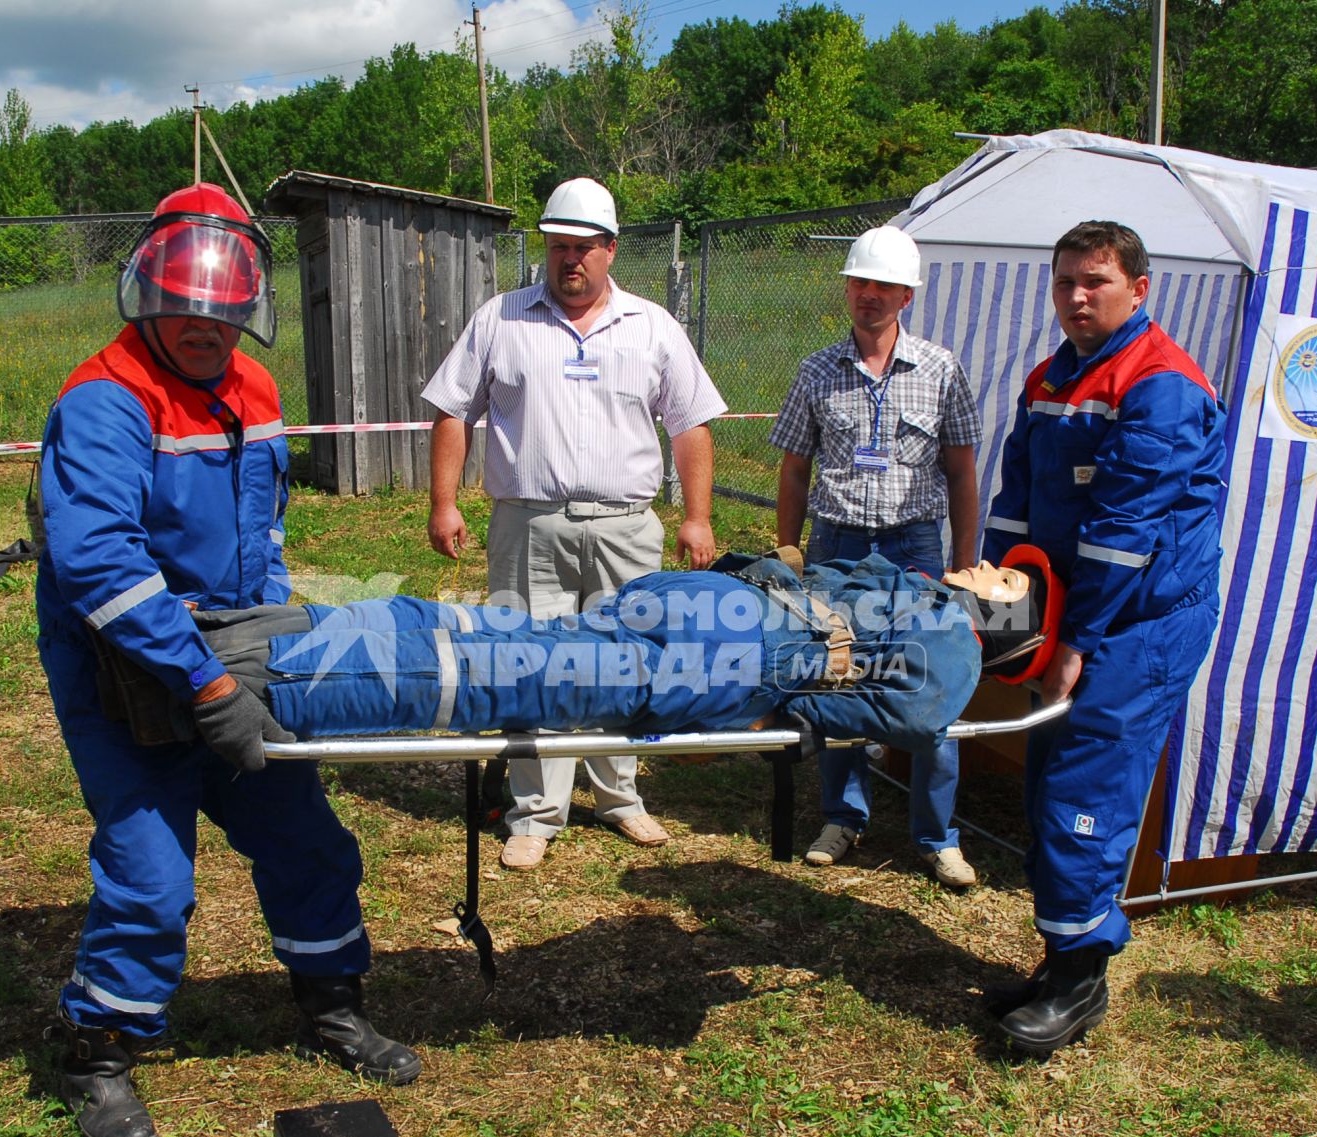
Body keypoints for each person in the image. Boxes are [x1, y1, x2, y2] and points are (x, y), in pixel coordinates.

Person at [34, 182, 420, 1137]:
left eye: (224, 313)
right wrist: (201, 684)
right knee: (151, 876)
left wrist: (272, 657)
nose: (205, 329)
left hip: (237, 651)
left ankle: (330, 1004)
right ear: (146, 294)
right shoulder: (104, 402)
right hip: (122, 665)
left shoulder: (253, 389)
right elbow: (99, 565)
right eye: (186, 308)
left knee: (308, 840)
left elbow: (261, 532)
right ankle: (97, 1046)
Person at [422, 177, 727, 869]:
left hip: (626, 527)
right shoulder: (500, 319)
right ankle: (535, 813)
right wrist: (444, 503)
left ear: (610, 250)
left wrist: (697, 516)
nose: (570, 261)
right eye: (559, 247)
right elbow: (451, 410)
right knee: (534, 662)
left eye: (584, 248)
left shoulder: (650, 326)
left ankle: (621, 798)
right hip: (529, 525)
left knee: (627, 664)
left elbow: (691, 425)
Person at [980, 220, 1225, 1058]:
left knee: (1088, 794)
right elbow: (1015, 502)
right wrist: (995, 607)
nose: (1076, 299)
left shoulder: (1160, 385)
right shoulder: (1051, 376)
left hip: (1137, 625)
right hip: (1074, 613)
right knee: (1048, 780)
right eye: (1064, 284)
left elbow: (1123, 532)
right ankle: (1059, 961)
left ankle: (1081, 985)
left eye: (1095, 282)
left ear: (1138, 289)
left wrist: (1076, 642)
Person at [191, 546, 1058, 749]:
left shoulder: (954, 650)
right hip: (730, 643)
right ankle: (263, 676)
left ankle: (253, 646)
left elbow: (890, 715)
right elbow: (864, 715)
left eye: (1008, 583)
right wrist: (788, 694)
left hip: (721, 620)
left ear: (1005, 627)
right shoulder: (928, 618)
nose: (992, 566)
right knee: (494, 669)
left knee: (488, 635)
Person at [771, 225, 984, 890]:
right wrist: (788, 547)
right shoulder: (815, 371)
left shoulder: (941, 371)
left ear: (906, 296)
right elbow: (794, 469)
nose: (869, 295)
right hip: (836, 548)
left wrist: (967, 565)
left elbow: (961, 473)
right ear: (846, 288)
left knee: (930, 687)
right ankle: (842, 817)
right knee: (839, 680)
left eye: (883, 285)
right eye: (860, 282)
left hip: (913, 548)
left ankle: (936, 835)